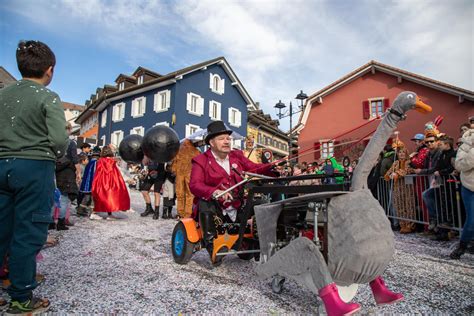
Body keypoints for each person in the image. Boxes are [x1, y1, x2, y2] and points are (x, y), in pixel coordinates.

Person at [0, 40, 68, 314]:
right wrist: (57, 152)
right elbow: (59, 139)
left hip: (2, 163)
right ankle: (20, 297)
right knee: (28, 233)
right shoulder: (47, 97)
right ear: (49, 70)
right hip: (34, 166)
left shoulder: (3, 94)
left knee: (2, 229)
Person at [189, 121, 275, 261]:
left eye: (228, 138)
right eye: (221, 138)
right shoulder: (200, 160)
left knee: (260, 202)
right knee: (205, 202)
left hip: (237, 204)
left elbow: (254, 169)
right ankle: (213, 246)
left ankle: (255, 242)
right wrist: (214, 192)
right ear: (211, 142)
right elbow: (194, 185)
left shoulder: (237, 155)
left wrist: (272, 167)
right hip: (215, 207)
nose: (227, 141)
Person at [450, 128, 474, 259]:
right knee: (471, 221)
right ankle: (462, 247)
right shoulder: (466, 143)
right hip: (470, 187)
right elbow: (459, 165)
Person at [91, 146, 130, 219]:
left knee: (100, 198)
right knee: (110, 197)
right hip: (111, 183)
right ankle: (98, 214)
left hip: (100, 182)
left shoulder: (99, 161)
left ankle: (99, 213)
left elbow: (97, 172)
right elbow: (117, 173)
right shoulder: (112, 162)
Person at [54, 122, 80, 230]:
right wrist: (78, 173)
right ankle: (61, 223)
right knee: (64, 198)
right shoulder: (71, 143)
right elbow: (75, 160)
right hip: (67, 174)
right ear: (69, 129)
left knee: (52, 198)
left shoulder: (54, 141)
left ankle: (50, 222)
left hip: (54, 171)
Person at [384, 147, 416, 233]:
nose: (401, 154)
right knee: (399, 205)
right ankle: (403, 225)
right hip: (397, 187)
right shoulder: (395, 162)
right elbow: (388, 172)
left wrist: (397, 173)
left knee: (408, 205)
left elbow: (406, 170)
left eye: (403, 152)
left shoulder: (409, 162)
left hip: (407, 187)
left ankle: (410, 225)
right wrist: (388, 175)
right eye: (399, 152)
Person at [415, 133, 442, 232]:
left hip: (439, 180)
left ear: (437, 142)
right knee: (431, 199)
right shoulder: (428, 154)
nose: (429, 143)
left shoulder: (439, 152)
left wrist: (421, 171)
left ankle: (435, 220)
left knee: (428, 196)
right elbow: (426, 166)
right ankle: (436, 225)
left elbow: (435, 168)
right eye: (427, 142)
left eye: (431, 141)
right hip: (431, 180)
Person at [171, 139, 200, 218]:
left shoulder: (178, 151)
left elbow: (173, 164)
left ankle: (180, 213)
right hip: (190, 175)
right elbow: (199, 164)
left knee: (180, 194)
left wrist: (174, 170)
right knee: (190, 194)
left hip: (179, 175)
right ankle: (188, 213)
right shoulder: (196, 151)